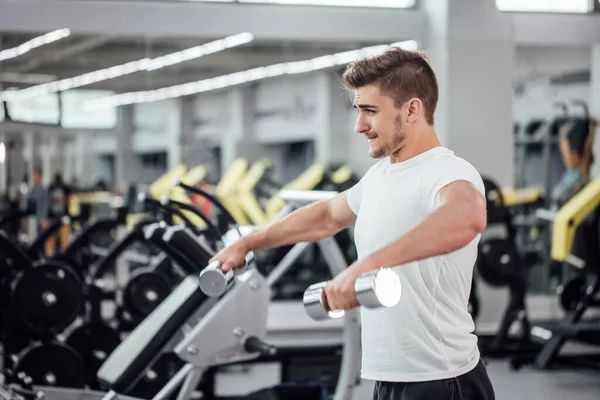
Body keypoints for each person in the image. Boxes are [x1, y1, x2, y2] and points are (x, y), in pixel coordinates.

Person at [210, 47, 495, 400]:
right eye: (358, 110)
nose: (359, 125)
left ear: (412, 109)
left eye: (370, 111)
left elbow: (467, 217)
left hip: (441, 379)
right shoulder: (380, 176)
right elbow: (328, 216)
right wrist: (248, 242)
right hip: (390, 376)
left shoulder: (448, 172)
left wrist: (366, 266)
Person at [26, 167, 50, 237]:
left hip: (40, 220)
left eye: (37, 176)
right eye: (34, 176)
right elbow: (29, 205)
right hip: (31, 220)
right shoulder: (32, 190)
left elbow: (45, 206)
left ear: (40, 177)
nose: (35, 178)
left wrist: (44, 219)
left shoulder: (44, 191)